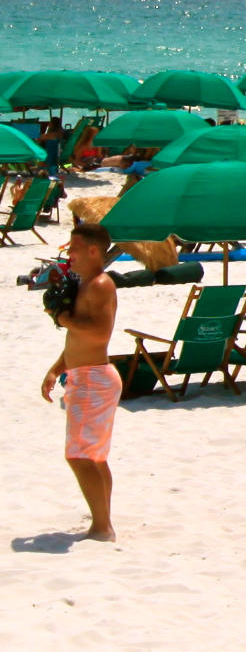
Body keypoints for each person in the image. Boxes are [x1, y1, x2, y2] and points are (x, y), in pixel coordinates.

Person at [38, 218, 119, 541]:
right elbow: (78, 339)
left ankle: (102, 527)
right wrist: (57, 368)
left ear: (93, 250)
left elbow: (98, 333)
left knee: (79, 456)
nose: (69, 255)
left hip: (93, 378)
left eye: (73, 249)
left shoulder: (100, 284)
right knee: (94, 457)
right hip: (86, 375)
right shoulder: (86, 283)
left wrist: (61, 317)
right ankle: (102, 520)